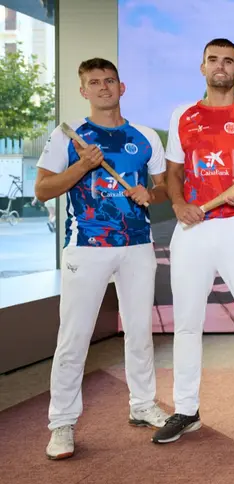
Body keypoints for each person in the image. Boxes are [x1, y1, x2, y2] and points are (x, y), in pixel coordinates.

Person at [35, 57, 170, 460]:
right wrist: (83, 165)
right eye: (94, 82)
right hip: (87, 247)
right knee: (74, 338)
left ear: (121, 87)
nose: (103, 87)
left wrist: (151, 194)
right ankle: (61, 423)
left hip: (137, 245)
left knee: (140, 332)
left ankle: (143, 404)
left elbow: (163, 188)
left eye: (109, 81)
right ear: (83, 91)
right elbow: (43, 190)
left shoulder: (145, 136)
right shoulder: (69, 137)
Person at [152, 38, 234, 444]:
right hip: (193, 229)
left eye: (229, 62)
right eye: (213, 60)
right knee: (187, 325)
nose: (221, 67)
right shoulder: (182, 116)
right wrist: (177, 204)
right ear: (202, 66)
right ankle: (186, 410)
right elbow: (173, 172)